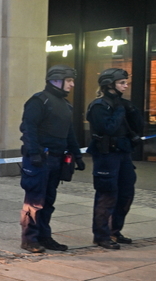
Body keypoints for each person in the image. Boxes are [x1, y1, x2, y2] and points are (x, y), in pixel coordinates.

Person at [18, 65, 85, 253]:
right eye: (69, 80)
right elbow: (28, 128)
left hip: (56, 158)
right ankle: (29, 239)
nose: (72, 84)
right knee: (34, 201)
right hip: (40, 158)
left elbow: (69, 132)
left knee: (48, 201)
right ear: (56, 80)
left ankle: (44, 236)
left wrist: (77, 154)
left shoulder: (65, 105)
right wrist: (34, 153)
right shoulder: (39, 101)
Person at [86, 68, 143, 250]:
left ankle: (114, 230)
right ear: (109, 85)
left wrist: (131, 110)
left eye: (126, 82)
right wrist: (119, 110)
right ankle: (101, 235)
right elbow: (108, 128)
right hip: (106, 155)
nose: (126, 86)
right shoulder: (99, 106)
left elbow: (138, 127)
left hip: (123, 153)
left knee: (126, 193)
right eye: (121, 83)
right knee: (107, 194)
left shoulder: (122, 104)